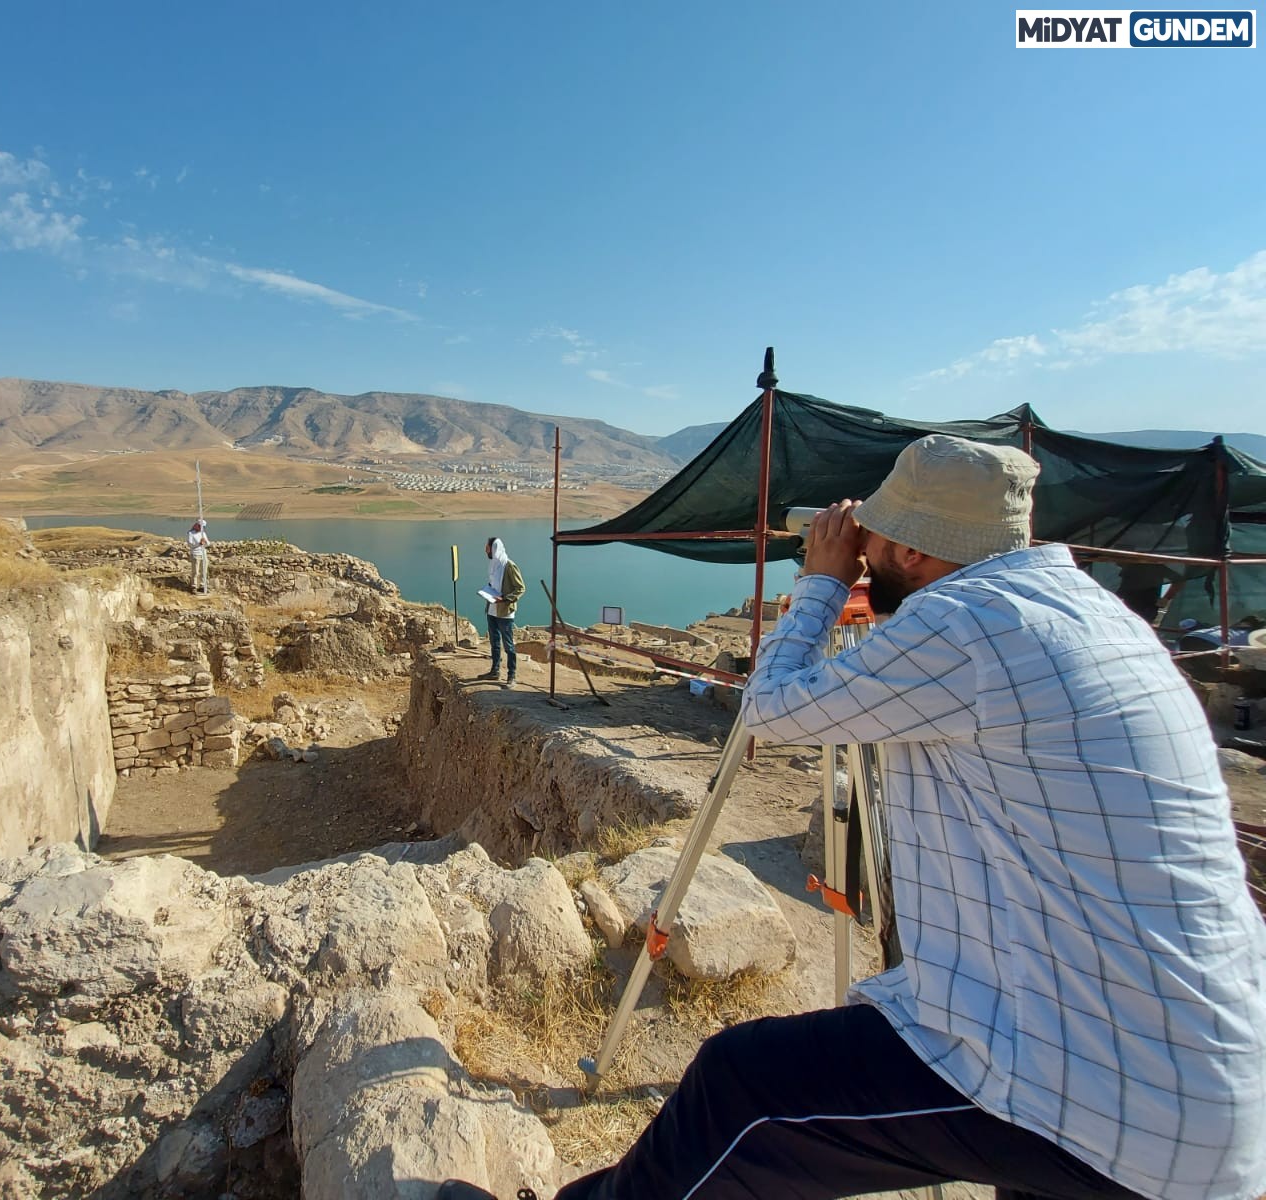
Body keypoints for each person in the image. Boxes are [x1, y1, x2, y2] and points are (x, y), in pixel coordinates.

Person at [443, 435, 1266, 1200]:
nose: (866, 546)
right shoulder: (1088, 612)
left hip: (1080, 1072)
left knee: (744, 1088)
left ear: (910, 549)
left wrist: (824, 579)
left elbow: (767, 707)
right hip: (1188, 1079)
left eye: (877, 536)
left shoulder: (969, 620)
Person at [478, 536, 525, 685]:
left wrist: (504, 598)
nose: (485, 551)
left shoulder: (509, 566)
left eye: (487, 548)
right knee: (494, 643)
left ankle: (512, 675)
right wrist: (488, 591)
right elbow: (494, 584)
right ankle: (495, 671)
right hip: (492, 610)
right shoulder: (493, 565)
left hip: (505, 612)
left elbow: (520, 588)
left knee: (508, 645)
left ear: (494, 549)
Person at [186, 519, 209, 593]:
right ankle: (194, 586)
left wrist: (205, 542)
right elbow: (190, 544)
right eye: (201, 527)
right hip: (196, 554)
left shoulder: (203, 533)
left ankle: (202, 585)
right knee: (195, 571)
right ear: (197, 526)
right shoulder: (191, 533)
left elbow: (208, 543)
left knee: (204, 571)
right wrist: (199, 543)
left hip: (203, 554)